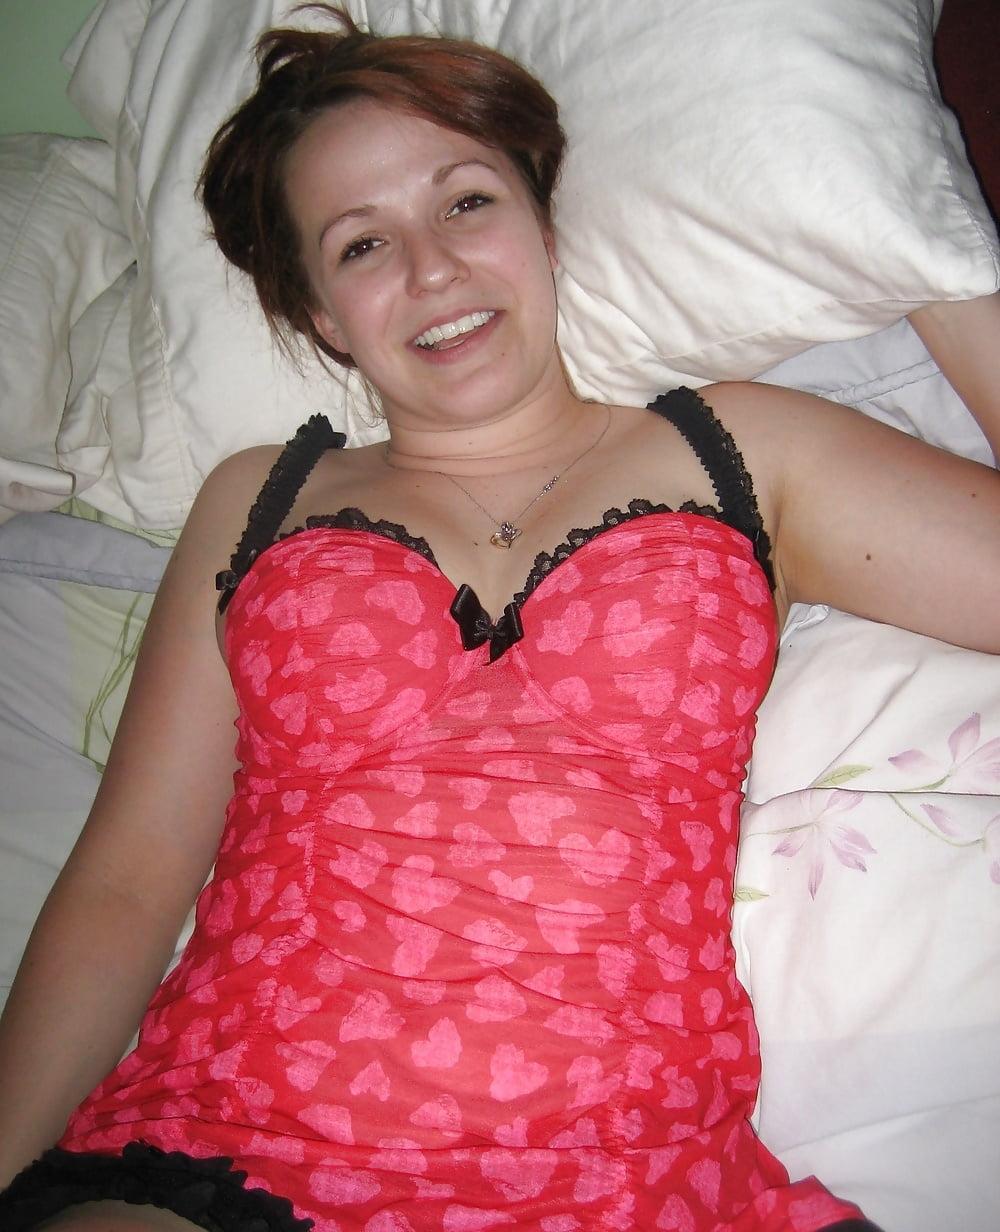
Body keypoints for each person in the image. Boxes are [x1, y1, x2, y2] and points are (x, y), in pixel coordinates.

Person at [0, 7, 998, 1231]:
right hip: (231, 1143)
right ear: (321, 315)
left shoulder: (743, 449)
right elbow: (127, 878)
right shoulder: (256, 499)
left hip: (636, 1180)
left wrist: (934, 265)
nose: (431, 269)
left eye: (466, 202)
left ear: (542, 222)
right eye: (363, 244)